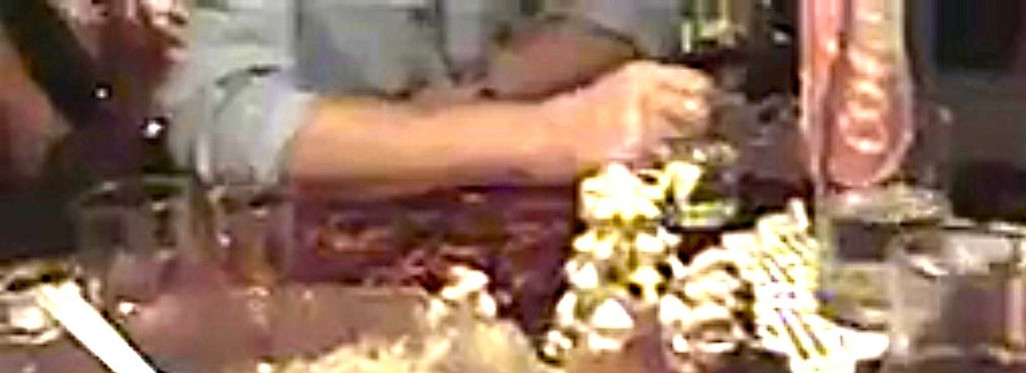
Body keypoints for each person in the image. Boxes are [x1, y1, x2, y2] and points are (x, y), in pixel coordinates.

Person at [159, 1, 713, 194]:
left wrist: (495, 90)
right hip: (319, 278)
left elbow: (632, 9)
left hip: (520, 234)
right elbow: (224, 114)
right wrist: (550, 134)